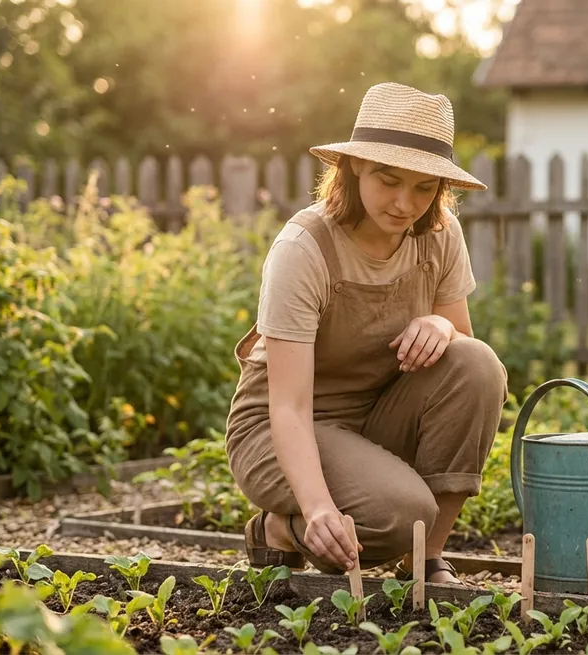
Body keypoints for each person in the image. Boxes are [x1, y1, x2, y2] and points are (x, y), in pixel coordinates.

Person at [225, 82, 508, 585]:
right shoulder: (304, 248)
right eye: (389, 180)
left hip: (376, 419)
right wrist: (315, 512)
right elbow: (288, 408)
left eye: (424, 188)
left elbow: (463, 355)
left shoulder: (439, 235)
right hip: (282, 429)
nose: (405, 204)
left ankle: (425, 558)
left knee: (478, 363)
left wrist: (440, 323)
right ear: (353, 166)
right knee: (397, 517)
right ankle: (278, 529)